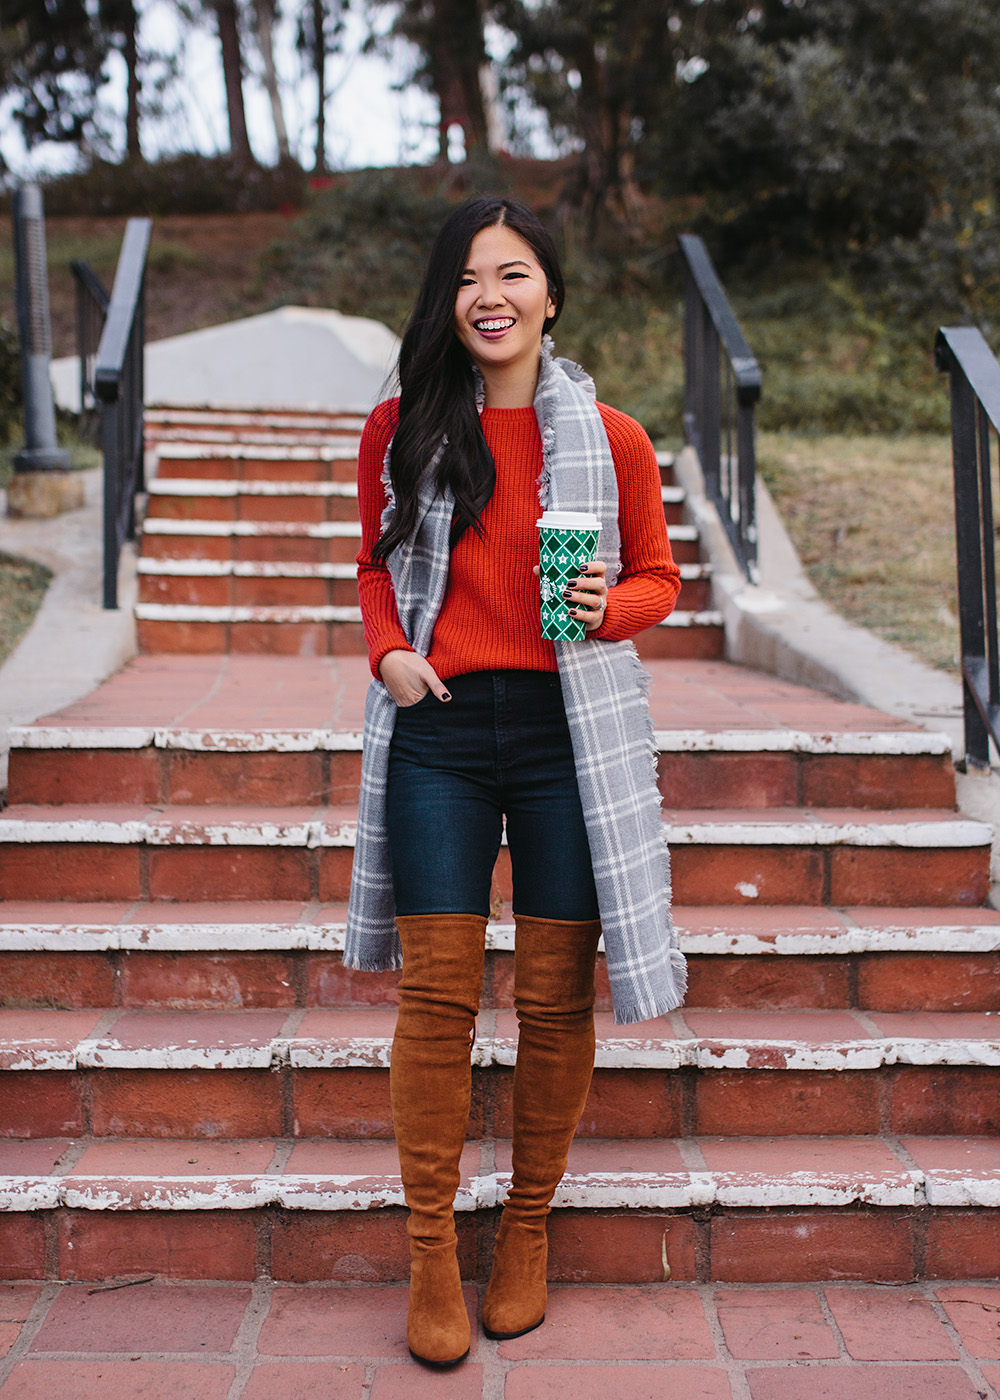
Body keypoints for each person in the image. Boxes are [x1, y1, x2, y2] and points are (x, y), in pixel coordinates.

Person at [344, 194, 687, 1369]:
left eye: (514, 273)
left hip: (563, 731)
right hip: (438, 724)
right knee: (435, 999)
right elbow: (374, 569)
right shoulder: (400, 424)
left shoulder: (616, 437)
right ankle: (432, 1249)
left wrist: (612, 606)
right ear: (446, 301)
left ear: (552, 294)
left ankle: (525, 1230)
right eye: (467, 278)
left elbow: (657, 576)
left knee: (551, 998)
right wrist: (388, 650)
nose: (489, 296)